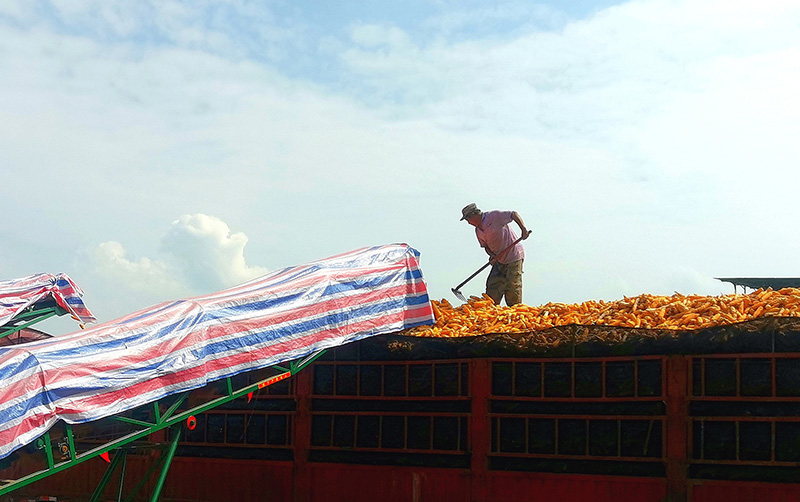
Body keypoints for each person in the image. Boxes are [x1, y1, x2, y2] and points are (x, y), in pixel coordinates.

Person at [460, 203, 530, 306]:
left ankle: (515, 312)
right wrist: (492, 256)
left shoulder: (494, 216)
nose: (468, 223)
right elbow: (486, 247)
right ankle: (492, 310)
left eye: (467, 219)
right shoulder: (478, 231)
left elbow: (513, 214)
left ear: (474, 215)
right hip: (499, 260)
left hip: (513, 255)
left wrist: (523, 229)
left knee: (512, 287)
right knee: (493, 286)